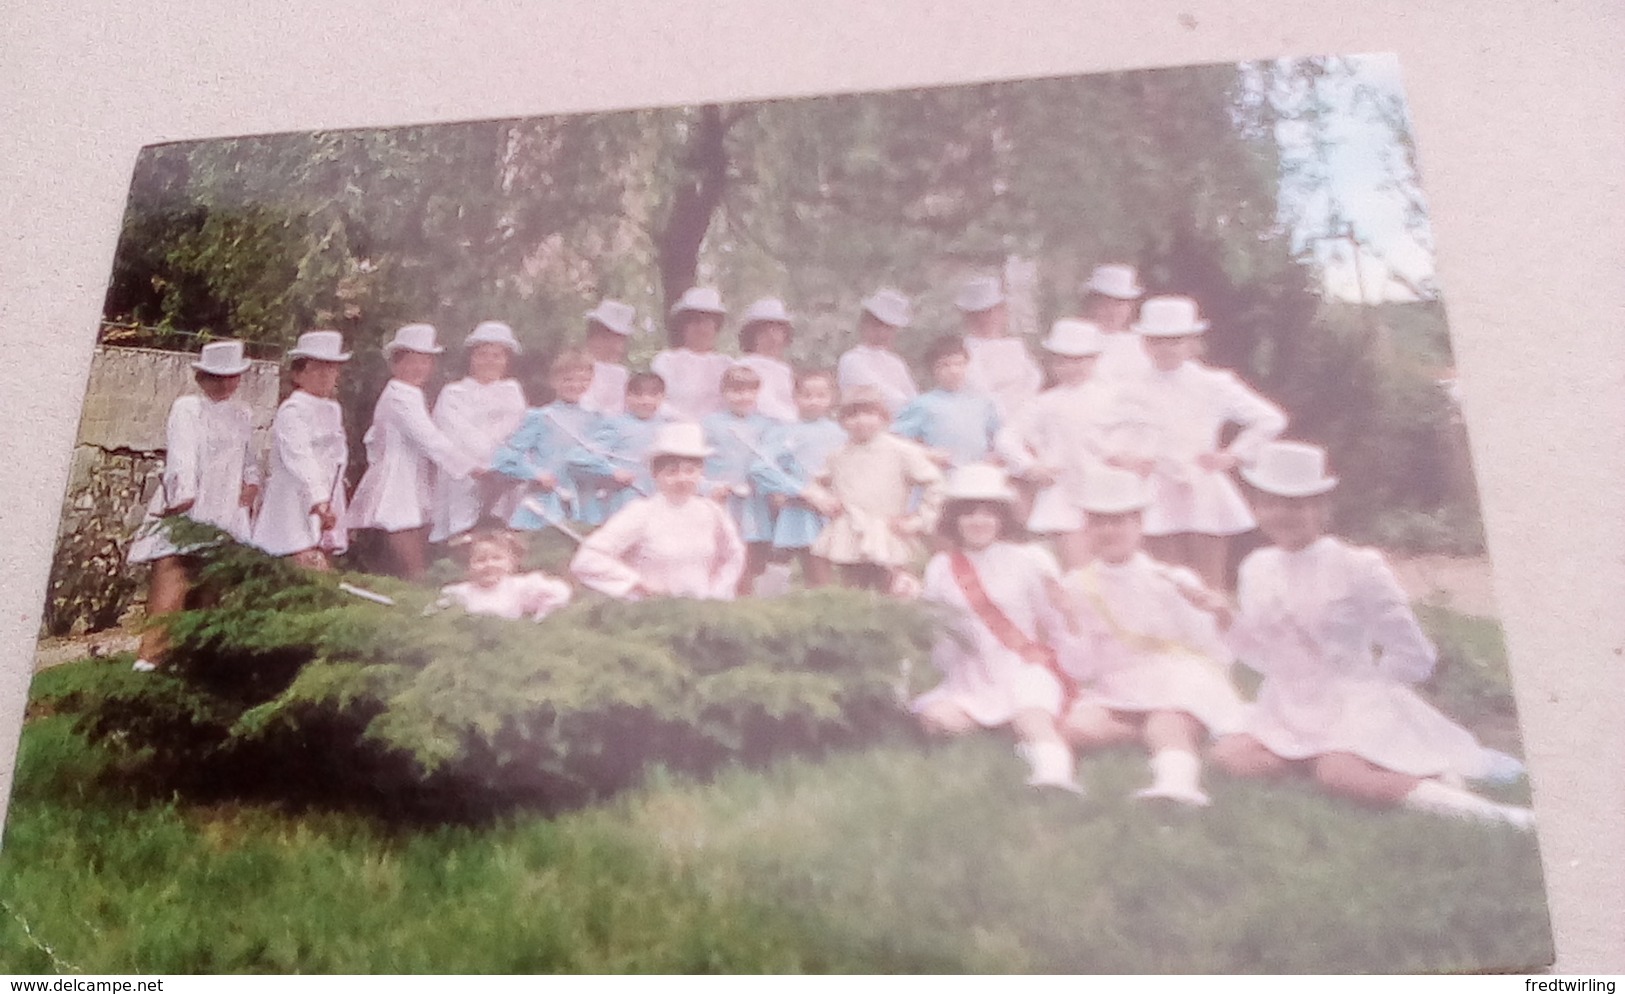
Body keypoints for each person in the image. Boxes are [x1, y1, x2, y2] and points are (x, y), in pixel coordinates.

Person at [1209, 442, 1533, 829]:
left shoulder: (1357, 566)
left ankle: (1496, 817)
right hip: (1288, 703)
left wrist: (1374, 696)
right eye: (1270, 502)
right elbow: (1269, 658)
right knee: (1231, 757)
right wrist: (1225, 621)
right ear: (1257, 507)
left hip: (1355, 701)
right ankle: (1323, 756)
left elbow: (1414, 653)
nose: (1282, 514)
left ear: (1322, 507)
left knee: (1339, 774)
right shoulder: (1255, 568)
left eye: (1296, 504)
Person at [1057, 467, 1244, 807]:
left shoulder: (1171, 578)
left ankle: (1176, 786)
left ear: (1139, 525)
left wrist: (1211, 612)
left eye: (1120, 520)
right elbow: (1081, 669)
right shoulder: (1075, 586)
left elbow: (1213, 648)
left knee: (1166, 720)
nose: (1109, 530)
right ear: (1086, 528)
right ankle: (1139, 733)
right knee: (1075, 728)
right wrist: (1068, 622)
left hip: (1178, 676)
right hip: (1120, 684)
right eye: (1099, 521)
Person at [911, 463, 1081, 792]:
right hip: (971, 676)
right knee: (937, 720)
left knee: (1031, 714)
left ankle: (1054, 776)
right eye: (969, 513)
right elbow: (936, 634)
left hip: (1022, 667)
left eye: (988, 513)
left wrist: (1064, 660)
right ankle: (1009, 731)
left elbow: (1056, 624)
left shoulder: (1031, 559)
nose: (979, 521)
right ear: (955, 519)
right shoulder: (941, 567)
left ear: (1002, 518)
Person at [1109, 295, 1286, 591]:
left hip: (1203, 484)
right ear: (1144, 343)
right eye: (1156, 341)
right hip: (1155, 483)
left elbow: (1270, 419)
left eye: (1175, 340)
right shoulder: (1129, 387)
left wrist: (1232, 455)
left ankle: (1211, 634)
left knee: (1208, 581)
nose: (1165, 348)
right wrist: (1125, 458)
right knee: (1165, 578)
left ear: (1193, 342)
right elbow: (1098, 432)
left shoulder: (1214, 384)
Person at [128, 340, 260, 672]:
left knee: (209, 592)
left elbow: (248, 457)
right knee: (172, 585)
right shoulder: (187, 408)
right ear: (202, 377)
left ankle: (193, 663)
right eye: (218, 377)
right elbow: (181, 455)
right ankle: (149, 660)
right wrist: (184, 496)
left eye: (232, 377)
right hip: (189, 506)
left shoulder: (242, 413)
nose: (226, 384)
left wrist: (252, 482)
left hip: (224, 510)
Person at [347, 323, 481, 581]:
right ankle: (415, 582)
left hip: (413, 470)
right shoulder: (400, 395)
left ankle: (411, 581)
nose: (419, 368)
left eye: (425, 362)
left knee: (415, 527)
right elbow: (428, 438)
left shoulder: (410, 392)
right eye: (411, 362)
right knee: (403, 526)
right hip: (399, 473)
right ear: (396, 364)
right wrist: (470, 466)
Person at [570, 422, 746, 600]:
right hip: (653, 614)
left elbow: (733, 556)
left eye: (690, 471)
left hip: (702, 612)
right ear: (655, 474)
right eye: (671, 472)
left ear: (701, 472)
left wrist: (716, 594)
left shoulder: (712, 512)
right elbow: (588, 559)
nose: (682, 479)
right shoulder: (642, 512)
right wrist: (636, 584)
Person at [998, 319, 1118, 569]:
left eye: (1079, 359)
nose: (1071, 367)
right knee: (1081, 573)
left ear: (1095, 359)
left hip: (1108, 494)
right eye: (1063, 360)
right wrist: (1030, 467)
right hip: (1064, 496)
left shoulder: (1113, 397)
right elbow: (1007, 438)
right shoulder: (1045, 403)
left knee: (1113, 569)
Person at [811, 385, 945, 591]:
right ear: (842, 421)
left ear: (883, 417)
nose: (861, 421)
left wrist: (919, 519)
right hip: (851, 531)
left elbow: (935, 483)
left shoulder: (901, 450)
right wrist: (824, 500)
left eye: (869, 413)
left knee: (896, 589)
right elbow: (816, 484)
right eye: (852, 415)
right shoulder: (838, 456)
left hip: (889, 530)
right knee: (854, 590)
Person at [252, 330, 352, 572]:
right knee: (301, 562)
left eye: (331, 368)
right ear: (298, 373)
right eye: (316, 368)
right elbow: (300, 457)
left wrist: (332, 499)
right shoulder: (292, 410)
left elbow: (338, 457)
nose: (326, 375)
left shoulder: (333, 409)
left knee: (324, 564)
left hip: (327, 497)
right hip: (295, 499)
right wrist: (319, 499)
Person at [429, 320, 528, 545]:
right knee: (463, 527)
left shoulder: (512, 391)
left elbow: (515, 427)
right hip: (464, 469)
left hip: (502, 472)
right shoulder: (454, 392)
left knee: (502, 527)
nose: (489, 361)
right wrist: (479, 465)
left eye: (497, 355)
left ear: (506, 360)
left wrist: (498, 465)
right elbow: (454, 430)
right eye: (483, 354)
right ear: (472, 357)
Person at [750, 368, 847, 589]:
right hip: (800, 507)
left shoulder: (840, 433)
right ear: (795, 398)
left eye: (821, 396)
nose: (813, 401)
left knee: (836, 570)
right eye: (807, 395)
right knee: (809, 566)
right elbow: (760, 467)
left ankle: (832, 611)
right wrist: (798, 490)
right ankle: (772, 603)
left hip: (834, 506)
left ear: (832, 398)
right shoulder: (784, 432)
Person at [493, 349, 603, 531]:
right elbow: (503, 459)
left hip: (585, 503)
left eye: (583, 379)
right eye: (568, 379)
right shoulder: (540, 417)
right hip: (546, 501)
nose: (576, 385)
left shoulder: (597, 419)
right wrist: (536, 473)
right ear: (554, 380)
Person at [703, 364, 778, 595]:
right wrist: (708, 486)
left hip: (754, 502)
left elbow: (772, 462)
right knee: (720, 552)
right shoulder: (709, 423)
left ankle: (747, 601)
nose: (743, 397)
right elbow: (697, 462)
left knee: (751, 555)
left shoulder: (767, 425)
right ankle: (717, 598)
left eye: (749, 391)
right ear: (724, 393)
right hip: (721, 499)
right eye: (736, 391)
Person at [568, 371, 672, 520]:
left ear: (662, 397)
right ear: (627, 397)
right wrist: (613, 471)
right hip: (625, 501)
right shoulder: (616, 425)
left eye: (653, 395)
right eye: (638, 395)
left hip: (660, 501)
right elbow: (579, 457)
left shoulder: (669, 427)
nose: (645, 401)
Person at [892, 335, 1003, 469]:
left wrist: (994, 456)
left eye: (959, 364)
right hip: (939, 480)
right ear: (933, 370)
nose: (953, 371)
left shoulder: (983, 403)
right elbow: (896, 440)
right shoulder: (922, 404)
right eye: (945, 365)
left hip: (976, 478)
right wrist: (927, 454)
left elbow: (1000, 439)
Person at [435, 528, 572, 622]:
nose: (489, 564)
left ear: (510, 563)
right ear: (469, 567)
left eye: (497, 558)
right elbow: (435, 614)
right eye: (480, 560)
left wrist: (539, 619)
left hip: (510, 643)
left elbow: (559, 594)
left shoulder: (517, 587)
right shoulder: (461, 593)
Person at [956, 275, 1042, 420]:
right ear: (971, 316)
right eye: (984, 312)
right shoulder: (966, 350)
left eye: (996, 310)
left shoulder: (1015, 345)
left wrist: (1026, 406)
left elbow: (1034, 378)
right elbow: (979, 389)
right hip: (992, 417)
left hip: (1027, 412)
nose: (991, 317)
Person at [651, 287, 734, 422]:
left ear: (716, 326)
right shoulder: (666, 361)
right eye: (695, 321)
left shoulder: (727, 364)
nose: (702, 328)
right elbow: (657, 400)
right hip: (675, 429)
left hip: (717, 434)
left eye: (708, 322)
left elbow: (735, 404)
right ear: (682, 325)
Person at [835, 288, 918, 418]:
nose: (882, 332)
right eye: (877, 325)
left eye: (889, 327)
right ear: (864, 323)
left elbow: (913, 397)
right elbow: (881, 396)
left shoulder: (896, 362)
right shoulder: (851, 360)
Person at [1079, 263, 1150, 384]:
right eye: (1105, 303)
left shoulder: (1142, 343)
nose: (1111, 310)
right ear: (1092, 304)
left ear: (1131, 306)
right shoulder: (1078, 339)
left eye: (1119, 304)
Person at [734, 297, 798, 423]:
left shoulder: (785, 370)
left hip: (787, 427)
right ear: (752, 335)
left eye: (777, 330)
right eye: (764, 331)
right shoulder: (742, 366)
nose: (772, 336)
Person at [579, 299, 636, 416]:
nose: (616, 346)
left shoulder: (621, 374)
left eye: (620, 339)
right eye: (607, 337)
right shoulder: (577, 368)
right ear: (593, 337)